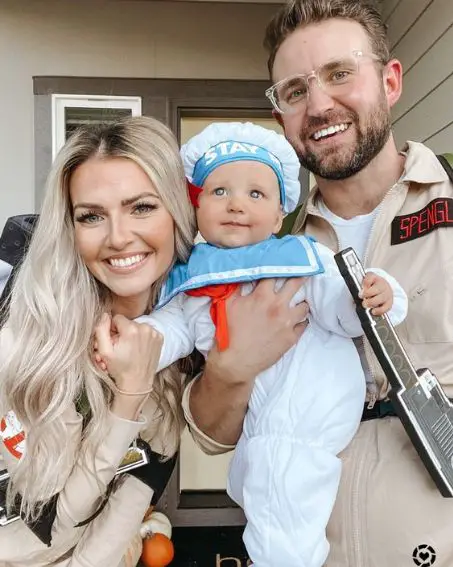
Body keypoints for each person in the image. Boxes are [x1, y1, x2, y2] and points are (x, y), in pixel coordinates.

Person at [184, 1, 453, 566]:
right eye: (294, 90)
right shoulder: (256, 253)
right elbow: (212, 436)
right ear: (280, 115)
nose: (319, 104)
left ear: (390, 80)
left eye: (339, 74)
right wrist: (232, 370)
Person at [131, 121, 407, 567]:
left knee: (282, 489)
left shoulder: (298, 257)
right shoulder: (194, 274)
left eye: (256, 194)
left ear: (280, 216)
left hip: (309, 396)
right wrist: (136, 342)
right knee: (260, 483)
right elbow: (173, 329)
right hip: (262, 414)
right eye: (220, 191)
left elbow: (341, 309)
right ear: (196, 206)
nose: (237, 204)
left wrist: (375, 297)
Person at [0, 116, 197, 567]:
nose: (118, 237)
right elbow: (46, 521)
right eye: (91, 216)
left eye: (142, 207)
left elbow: (138, 489)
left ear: (176, 214)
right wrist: (128, 398)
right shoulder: (27, 335)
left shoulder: (184, 332)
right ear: (69, 227)